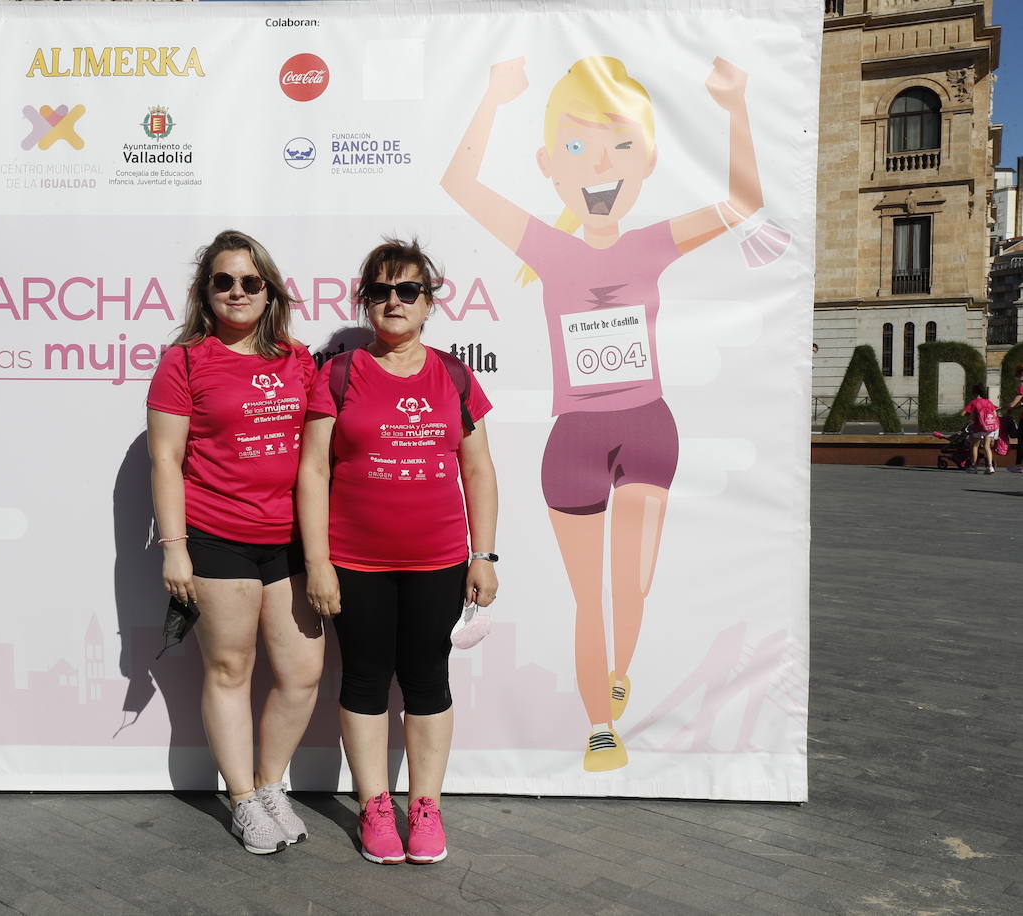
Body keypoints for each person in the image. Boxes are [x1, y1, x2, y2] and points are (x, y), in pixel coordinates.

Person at [442, 55, 766, 771]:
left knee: (633, 585)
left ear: (646, 160)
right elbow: (459, 184)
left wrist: (735, 105)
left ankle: (618, 667)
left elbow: (744, 201)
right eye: (578, 148)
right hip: (576, 442)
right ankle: (600, 722)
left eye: (621, 146)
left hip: (648, 429)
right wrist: (493, 97)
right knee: (590, 594)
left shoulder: (653, 244)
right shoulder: (547, 249)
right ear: (549, 165)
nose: (600, 166)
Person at [298, 239, 498, 866]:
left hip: (438, 562)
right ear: (365, 301)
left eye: (407, 290)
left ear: (428, 301)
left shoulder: (455, 376)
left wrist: (484, 555)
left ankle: (426, 805)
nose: (393, 301)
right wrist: (318, 562)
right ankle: (375, 807)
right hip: (356, 564)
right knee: (361, 680)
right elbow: (312, 473)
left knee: (426, 682)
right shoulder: (338, 373)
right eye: (380, 291)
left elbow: (480, 471)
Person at [146, 229, 323, 855]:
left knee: (302, 673)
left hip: (290, 542)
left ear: (269, 289)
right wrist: (175, 546)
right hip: (216, 536)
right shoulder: (185, 361)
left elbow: (319, 459)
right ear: (205, 291)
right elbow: (166, 460)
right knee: (230, 669)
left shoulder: (299, 360)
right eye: (223, 281)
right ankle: (244, 802)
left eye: (251, 280)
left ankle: (270, 784)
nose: (238, 291)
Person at [960, 384, 1000, 474]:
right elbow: (995, 414)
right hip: (989, 427)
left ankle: (973, 467)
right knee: (987, 446)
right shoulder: (988, 402)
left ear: (975, 392)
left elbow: (963, 413)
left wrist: (971, 416)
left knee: (974, 446)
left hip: (978, 427)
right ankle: (990, 467)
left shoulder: (974, 402)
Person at [1006, 366, 1023, 472]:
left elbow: (1013, 403)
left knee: (1021, 442)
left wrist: (1008, 409)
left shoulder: (1022, 386)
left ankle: (1018, 465)